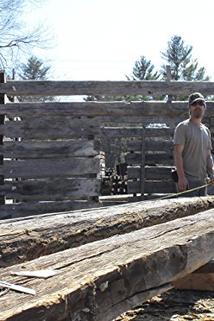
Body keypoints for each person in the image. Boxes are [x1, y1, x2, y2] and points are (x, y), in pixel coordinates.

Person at [173, 92, 214, 196]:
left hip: (203, 182)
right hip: (187, 183)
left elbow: (208, 156)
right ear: (190, 108)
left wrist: (212, 173)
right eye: (194, 104)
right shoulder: (183, 127)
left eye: (200, 103)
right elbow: (177, 154)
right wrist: (181, 177)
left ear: (204, 107)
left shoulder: (206, 131)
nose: (198, 106)